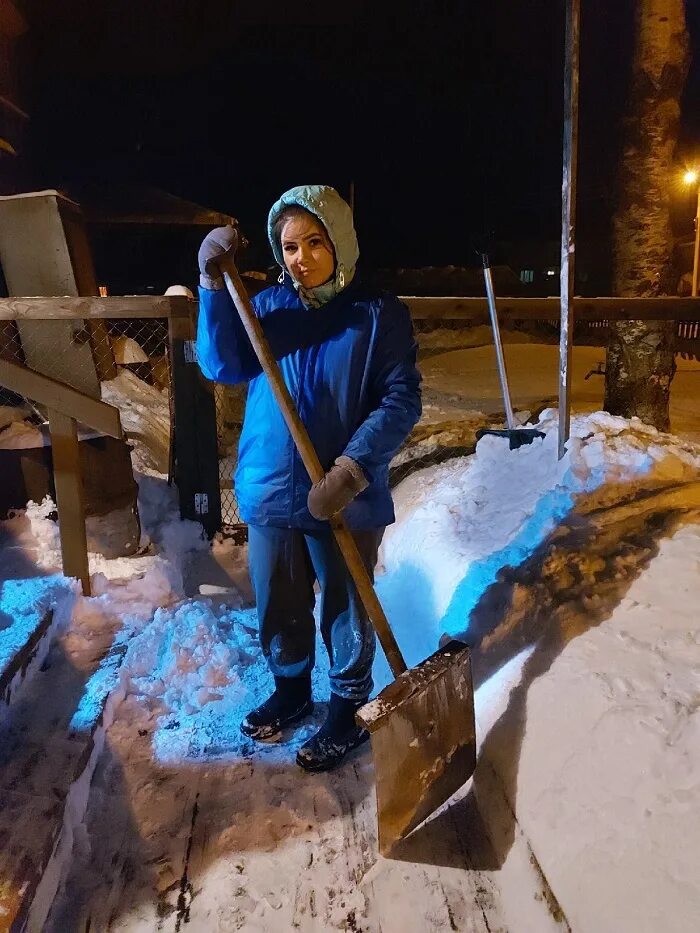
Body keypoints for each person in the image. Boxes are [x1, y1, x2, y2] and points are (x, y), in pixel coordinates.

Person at [195, 185, 421, 772]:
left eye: (314, 242)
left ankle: (348, 705)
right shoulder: (266, 306)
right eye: (290, 246)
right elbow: (221, 365)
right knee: (278, 600)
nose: (301, 258)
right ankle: (292, 688)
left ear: (339, 242)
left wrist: (352, 468)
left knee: (346, 602)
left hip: (343, 490)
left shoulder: (377, 315)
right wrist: (215, 290)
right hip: (271, 483)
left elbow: (400, 401)